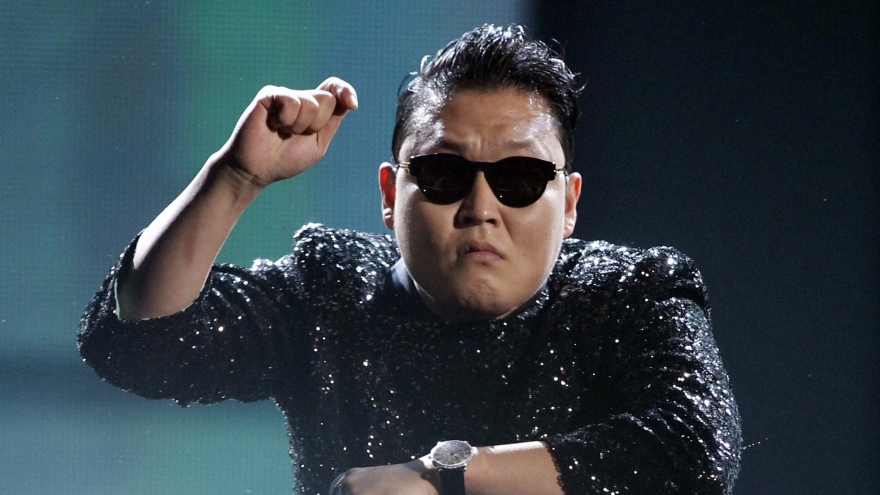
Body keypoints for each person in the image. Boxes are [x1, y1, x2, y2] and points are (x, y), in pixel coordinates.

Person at [79, 24, 742, 495]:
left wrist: (442, 477)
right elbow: (139, 339)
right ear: (391, 195)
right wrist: (234, 178)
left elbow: (694, 448)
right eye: (444, 175)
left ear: (567, 204)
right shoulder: (332, 292)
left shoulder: (627, 293)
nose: (481, 208)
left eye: (518, 180)